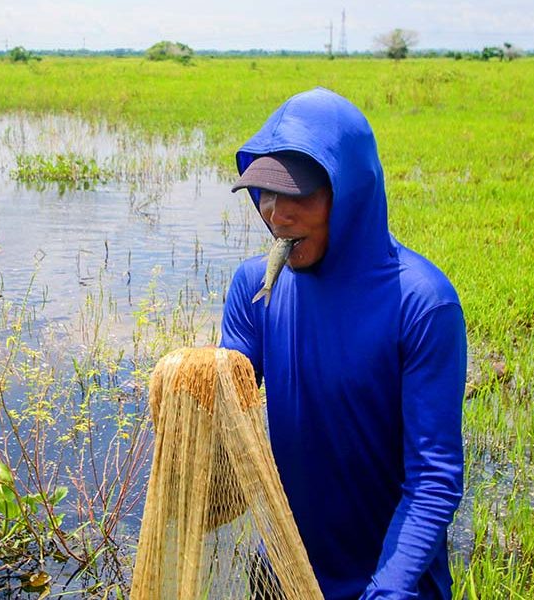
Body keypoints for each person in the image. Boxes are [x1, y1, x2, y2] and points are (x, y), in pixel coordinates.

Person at [221, 88, 467, 599]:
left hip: (387, 581)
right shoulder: (254, 288)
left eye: (300, 194)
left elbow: (433, 478)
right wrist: (188, 388)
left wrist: (389, 587)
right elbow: (226, 404)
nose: (277, 215)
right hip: (281, 569)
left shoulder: (421, 303)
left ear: (351, 193)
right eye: (267, 192)